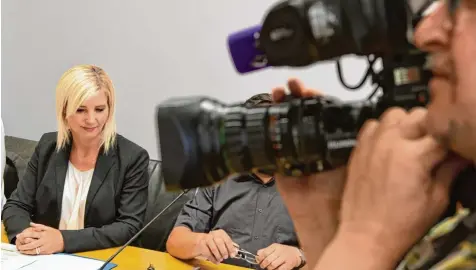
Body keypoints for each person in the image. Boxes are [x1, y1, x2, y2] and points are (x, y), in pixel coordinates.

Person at [267, 0, 476, 269]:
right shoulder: (459, 232)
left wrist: (365, 240)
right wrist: (324, 229)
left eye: (465, 6)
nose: (424, 32)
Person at [1, 64, 150, 255]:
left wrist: (63, 240)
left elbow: (129, 226)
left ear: (110, 109)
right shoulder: (48, 146)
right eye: (80, 110)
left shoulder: (132, 158)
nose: (91, 119)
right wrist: (23, 235)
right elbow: (17, 205)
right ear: (64, 111)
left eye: (99, 109)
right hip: (45, 258)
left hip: (98, 258)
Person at [166, 93, 307, 270]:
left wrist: (299, 256)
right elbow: (175, 241)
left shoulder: (308, 186)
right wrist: (202, 242)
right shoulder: (219, 179)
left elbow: (335, 251)